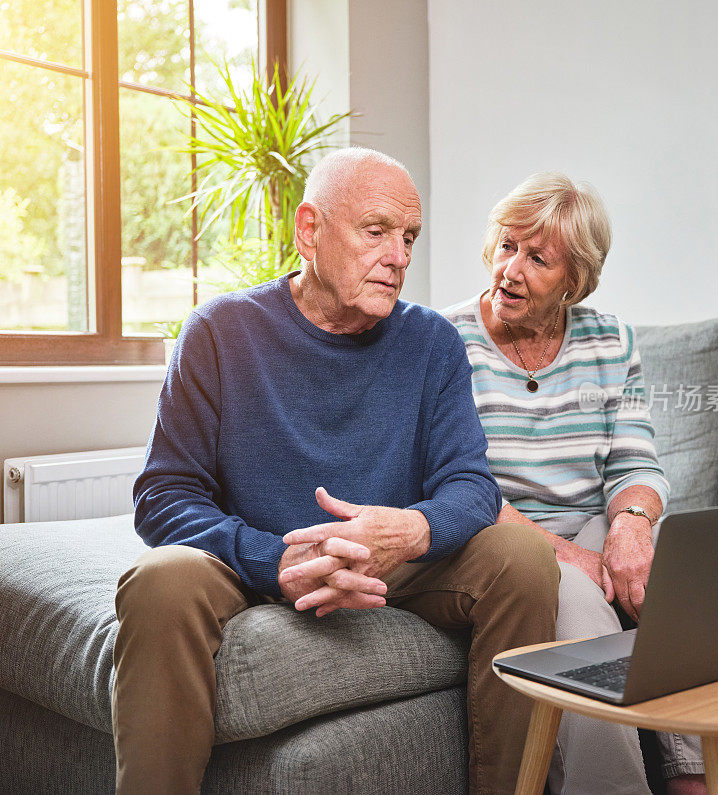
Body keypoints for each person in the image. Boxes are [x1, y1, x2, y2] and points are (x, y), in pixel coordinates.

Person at [112, 147, 560, 795]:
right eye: (376, 231)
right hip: (258, 558)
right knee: (159, 581)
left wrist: (408, 530)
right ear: (309, 231)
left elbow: (472, 487)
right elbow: (164, 496)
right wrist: (277, 560)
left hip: (392, 565)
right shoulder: (220, 331)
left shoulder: (432, 343)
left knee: (522, 554)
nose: (400, 256)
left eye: (409, 238)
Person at [443, 172, 718, 795]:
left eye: (537, 258)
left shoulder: (609, 340)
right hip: (501, 536)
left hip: (594, 519)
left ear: (574, 279)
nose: (510, 269)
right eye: (506, 246)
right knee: (582, 603)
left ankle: (708, 780)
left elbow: (636, 466)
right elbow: (459, 485)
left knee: (677, 574)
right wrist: (567, 555)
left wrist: (632, 531)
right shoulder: (444, 342)